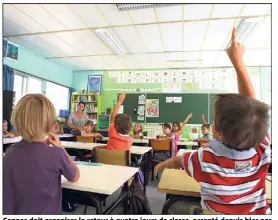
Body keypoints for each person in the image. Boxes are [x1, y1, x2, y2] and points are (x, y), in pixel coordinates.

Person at [154, 28, 271, 215]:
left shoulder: (204, 159)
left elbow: (178, 161)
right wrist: (238, 61)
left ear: (220, 133)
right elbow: (251, 107)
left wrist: (162, 164)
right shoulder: (262, 149)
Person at [3, 94, 80, 214]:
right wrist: (61, 148)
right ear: (50, 124)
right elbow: (75, 176)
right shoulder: (56, 153)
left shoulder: (9, 152)